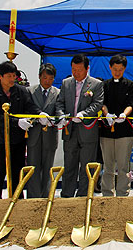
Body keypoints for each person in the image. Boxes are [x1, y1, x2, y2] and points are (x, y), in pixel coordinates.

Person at [0, 61, 40, 199]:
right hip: (2, 139)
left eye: (14, 76)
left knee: (18, 169)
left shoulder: (21, 91)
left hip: (19, 139)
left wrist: (39, 113)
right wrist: (17, 122)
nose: (12, 79)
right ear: (0, 76)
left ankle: (17, 198)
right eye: (9, 76)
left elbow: (29, 106)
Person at [56, 55, 103, 197]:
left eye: (79, 70)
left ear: (87, 69)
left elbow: (97, 103)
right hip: (70, 130)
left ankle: (84, 195)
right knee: (69, 164)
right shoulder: (66, 83)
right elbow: (59, 102)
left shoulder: (96, 84)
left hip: (88, 131)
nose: (76, 73)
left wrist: (84, 114)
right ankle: (67, 195)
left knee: (86, 166)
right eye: (73, 69)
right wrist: (61, 114)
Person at [99, 54, 133, 196]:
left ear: (124, 69)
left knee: (123, 166)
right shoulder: (104, 85)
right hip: (106, 131)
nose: (117, 72)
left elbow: (131, 104)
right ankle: (107, 193)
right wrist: (106, 114)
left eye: (120, 69)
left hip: (125, 131)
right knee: (108, 166)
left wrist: (124, 115)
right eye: (115, 69)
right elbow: (102, 103)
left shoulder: (131, 85)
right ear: (110, 67)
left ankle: (122, 193)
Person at [26, 63, 60, 198]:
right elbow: (27, 108)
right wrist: (36, 117)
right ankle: (33, 197)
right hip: (34, 134)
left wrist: (56, 119)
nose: (47, 81)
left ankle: (46, 196)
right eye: (45, 78)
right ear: (39, 77)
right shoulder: (30, 91)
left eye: (50, 79)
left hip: (50, 135)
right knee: (33, 167)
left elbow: (59, 109)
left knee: (48, 167)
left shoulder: (57, 93)